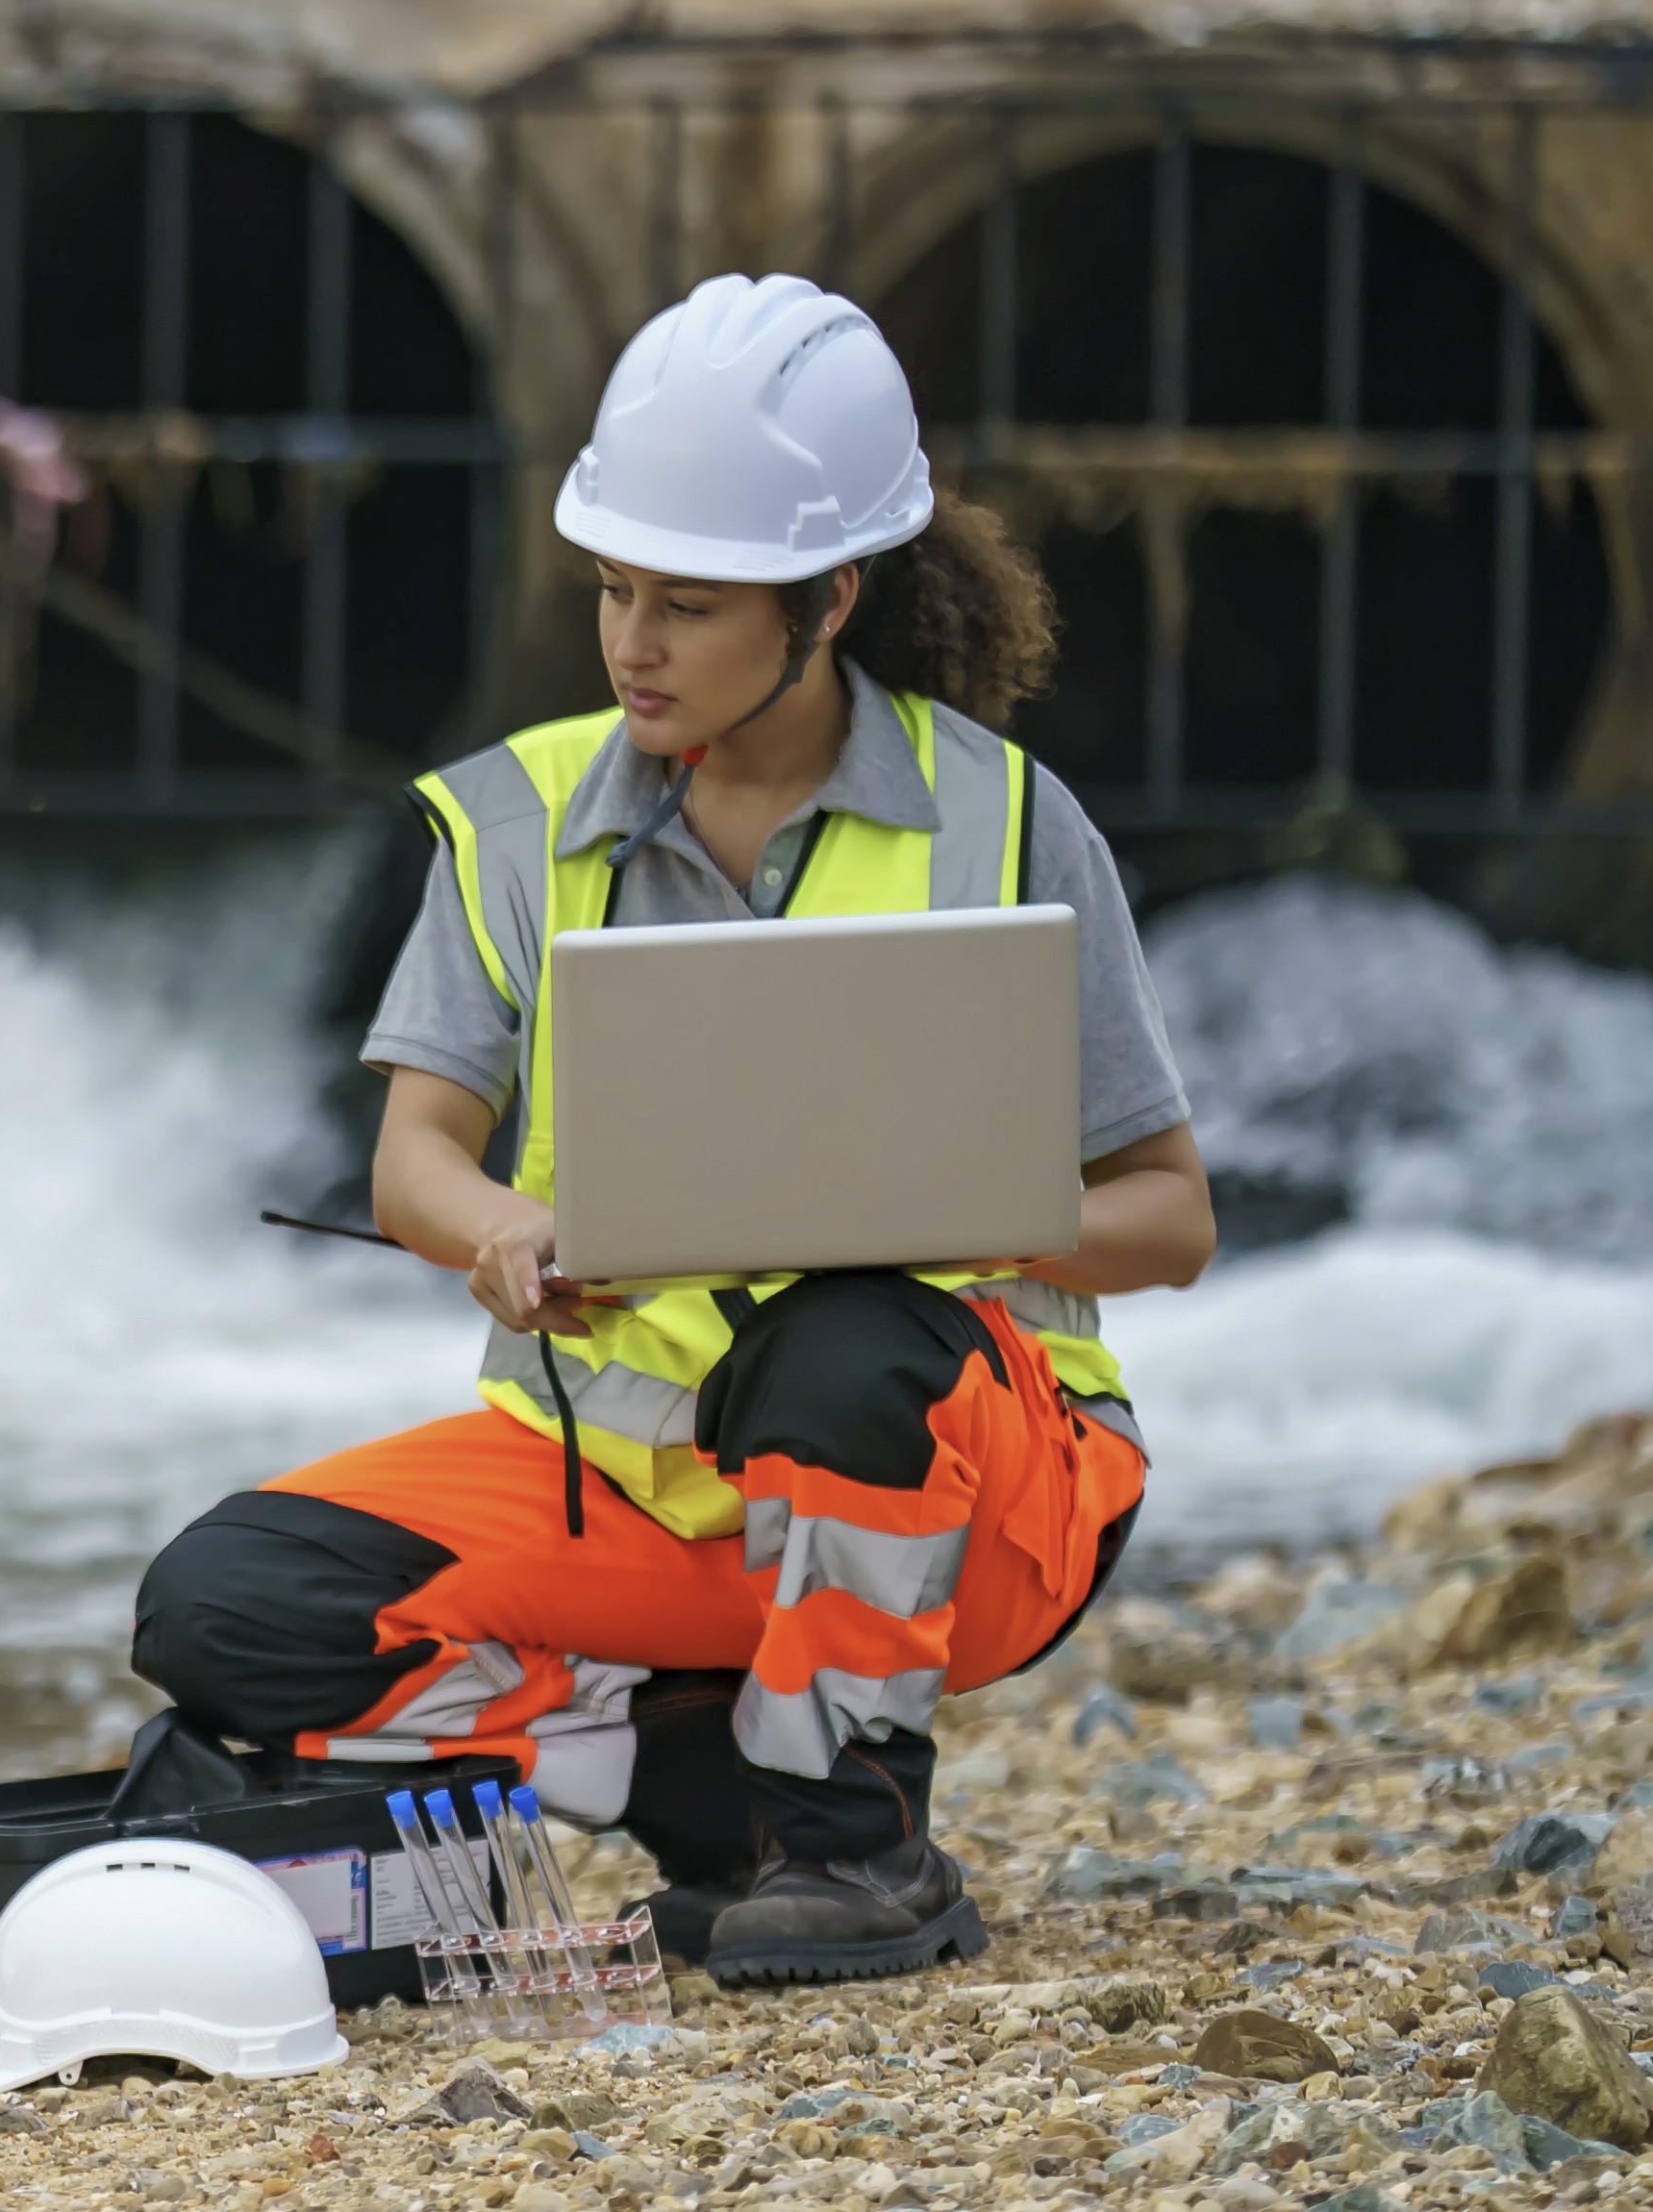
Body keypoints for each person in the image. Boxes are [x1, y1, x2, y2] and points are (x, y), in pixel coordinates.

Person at [127, 275, 1217, 1987]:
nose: (630, 641)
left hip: (971, 1500)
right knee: (224, 1603)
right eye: (612, 588)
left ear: (829, 598)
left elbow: (1170, 1221)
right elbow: (415, 1160)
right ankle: (693, 1779)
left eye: (686, 604)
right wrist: (497, 1232)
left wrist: (965, 1215)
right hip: (636, 1488)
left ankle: (862, 1855)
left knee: (846, 1345)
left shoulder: (1009, 823)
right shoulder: (514, 818)